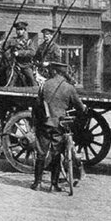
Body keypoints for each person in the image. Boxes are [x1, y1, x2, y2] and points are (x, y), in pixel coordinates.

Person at [31, 61, 87, 191]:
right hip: (59, 125)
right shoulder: (69, 88)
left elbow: (37, 105)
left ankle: (37, 183)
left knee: (41, 153)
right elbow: (79, 107)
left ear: (54, 71)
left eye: (51, 70)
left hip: (44, 123)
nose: (49, 72)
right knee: (57, 153)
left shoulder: (44, 85)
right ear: (63, 73)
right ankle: (54, 185)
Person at [3, 21, 36, 87]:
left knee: (31, 78)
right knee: (9, 78)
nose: (19, 31)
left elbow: (32, 52)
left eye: (21, 29)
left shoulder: (28, 41)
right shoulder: (12, 40)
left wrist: (19, 53)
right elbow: (3, 47)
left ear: (24, 31)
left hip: (25, 65)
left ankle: (36, 91)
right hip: (14, 65)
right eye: (17, 29)